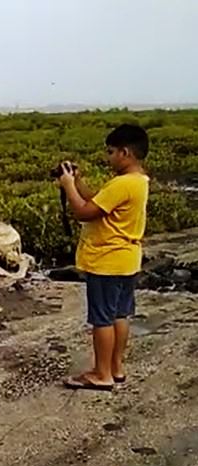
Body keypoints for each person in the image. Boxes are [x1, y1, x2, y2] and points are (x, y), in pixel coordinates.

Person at [56, 123, 150, 391]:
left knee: (102, 319)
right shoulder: (138, 181)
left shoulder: (122, 183)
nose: (108, 157)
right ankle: (116, 368)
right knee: (120, 315)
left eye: (110, 152)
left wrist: (67, 186)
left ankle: (101, 373)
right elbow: (98, 201)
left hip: (107, 260)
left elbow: (84, 212)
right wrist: (77, 183)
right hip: (126, 260)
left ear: (125, 152)